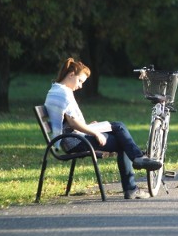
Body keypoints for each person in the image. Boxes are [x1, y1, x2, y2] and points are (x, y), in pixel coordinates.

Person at [44, 58, 162, 199]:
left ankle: (138, 160)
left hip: (72, 138)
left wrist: (88, 126)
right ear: (70, 75)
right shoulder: (63, 93)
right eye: (80, 81)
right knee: (122, 142)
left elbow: (69, 123)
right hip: (74, 141)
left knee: (118, 126)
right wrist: (94, 132)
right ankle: (135, 172)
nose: (81, 86)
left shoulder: (56, 90)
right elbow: (74, 124)